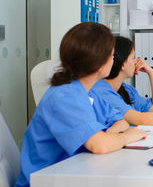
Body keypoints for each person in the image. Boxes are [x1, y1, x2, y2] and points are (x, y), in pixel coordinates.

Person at [15, 23, 145, 187]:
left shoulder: (87, 93)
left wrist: (107, 135)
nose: (114, 61)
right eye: (112, 56)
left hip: (75, 174)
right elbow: (100, 146)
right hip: (46, 181)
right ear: (99, 62)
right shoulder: (64, 96)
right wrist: (125, 137)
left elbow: (122, 122)